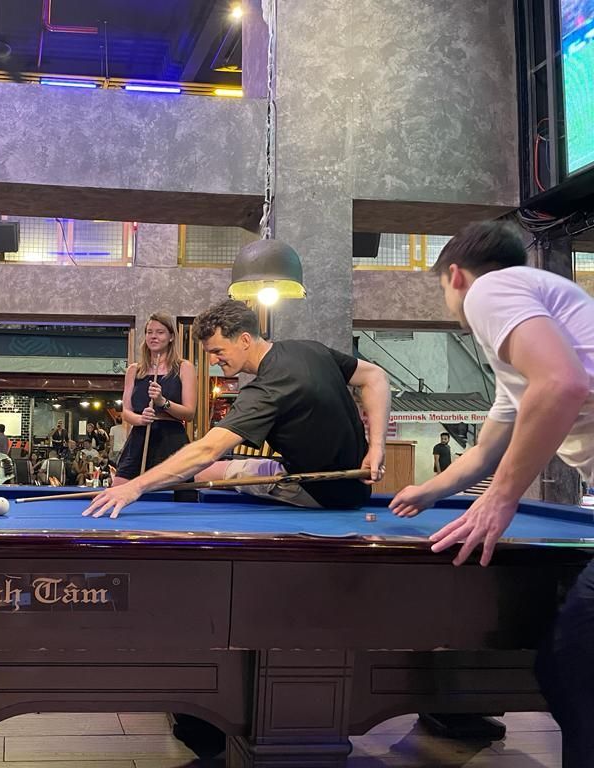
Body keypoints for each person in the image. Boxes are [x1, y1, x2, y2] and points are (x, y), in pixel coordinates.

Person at [387, 221, 594, 767]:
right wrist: (426, 492)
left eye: (443, 287)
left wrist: (500, 500)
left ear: (455, 274)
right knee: (568, 664)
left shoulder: (491, 289)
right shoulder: (518, 349)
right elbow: (485, 453)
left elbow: (564, 385)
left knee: (574, 662)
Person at [84, 299, 389, 518]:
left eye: (217, 351)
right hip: (357, 486)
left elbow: (205, 452)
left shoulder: (266, 390)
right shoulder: (308, 349)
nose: (214, 361)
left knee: (202, 471)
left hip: (321, 493)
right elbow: (375, 376)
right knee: (212, 470)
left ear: (244, 339)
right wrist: (376, 448)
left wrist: (134, 488)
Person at [113, 313, 197, 485]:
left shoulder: (184, 367)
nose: (153, 336)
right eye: (150, 332)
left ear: (171, 336)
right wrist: (140, 419)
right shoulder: (134, 370)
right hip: (139, 436)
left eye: (160, 332)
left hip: (172, 438)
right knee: (120, 486)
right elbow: (126, 412)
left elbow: (189, 413)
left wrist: (162, 402)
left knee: (176, 493)